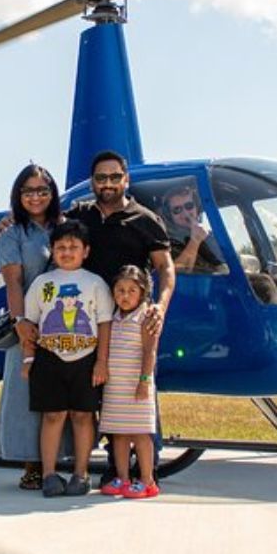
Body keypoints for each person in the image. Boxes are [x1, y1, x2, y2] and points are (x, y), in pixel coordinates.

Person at [65, 150, 176, 485]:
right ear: (92, 182)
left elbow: (166, 268)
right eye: (101, 178)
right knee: (105, 398)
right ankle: (116, 467)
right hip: (89, 320)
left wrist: (160, 306)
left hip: (131, 321)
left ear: (126, 180)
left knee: (138, 393)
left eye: (115, 177)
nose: (108, 183)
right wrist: (10, 220)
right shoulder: (80, 215)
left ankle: (147, 470)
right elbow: (44, 223)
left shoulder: (145, 219)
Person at [21, 220, 114, 497]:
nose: (67, 251)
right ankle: (49, 474)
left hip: (86, 358)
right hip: (49, 358)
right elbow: (30, 323)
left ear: (86, 251)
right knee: (52, 416)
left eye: (73, 246)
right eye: (60, 247)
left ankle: (81, 473)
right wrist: (28, 359)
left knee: (83, 416)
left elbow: (105, 323)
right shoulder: (43, 283)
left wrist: (102, 361)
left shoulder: (95, 283)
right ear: (52, 251)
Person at [0, 164, 64, 489]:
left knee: (63, 394)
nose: (35, 197)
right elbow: (13, 282)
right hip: (30, 322)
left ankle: (62, 459)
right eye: (28, 191)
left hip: (65, 322)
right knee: (25, 395)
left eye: (42, 190)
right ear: (18, 196)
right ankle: (31, 464)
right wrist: (21, 324)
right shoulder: (12, 234)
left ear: (53, 194)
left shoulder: (67, 227)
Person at [99, 264, 160, 499]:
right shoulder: (112, 319)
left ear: (142, 292)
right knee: (119, 434)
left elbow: (149, 352)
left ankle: (147, 480)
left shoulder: (146, 317)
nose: (125, 296)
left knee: (141, 434)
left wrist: (144, 380)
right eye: (120, 290)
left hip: (137, 384)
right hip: (116, 385)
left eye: (131, 291)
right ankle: (122, 477)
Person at [162, 183, 225, 274]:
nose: (185, 213)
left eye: (189, 206)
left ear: (196, 207)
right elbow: (177, 274)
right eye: (177, 210)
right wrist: (195, 241)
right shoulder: (167, 242)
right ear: (169, 215)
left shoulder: (211, 236)